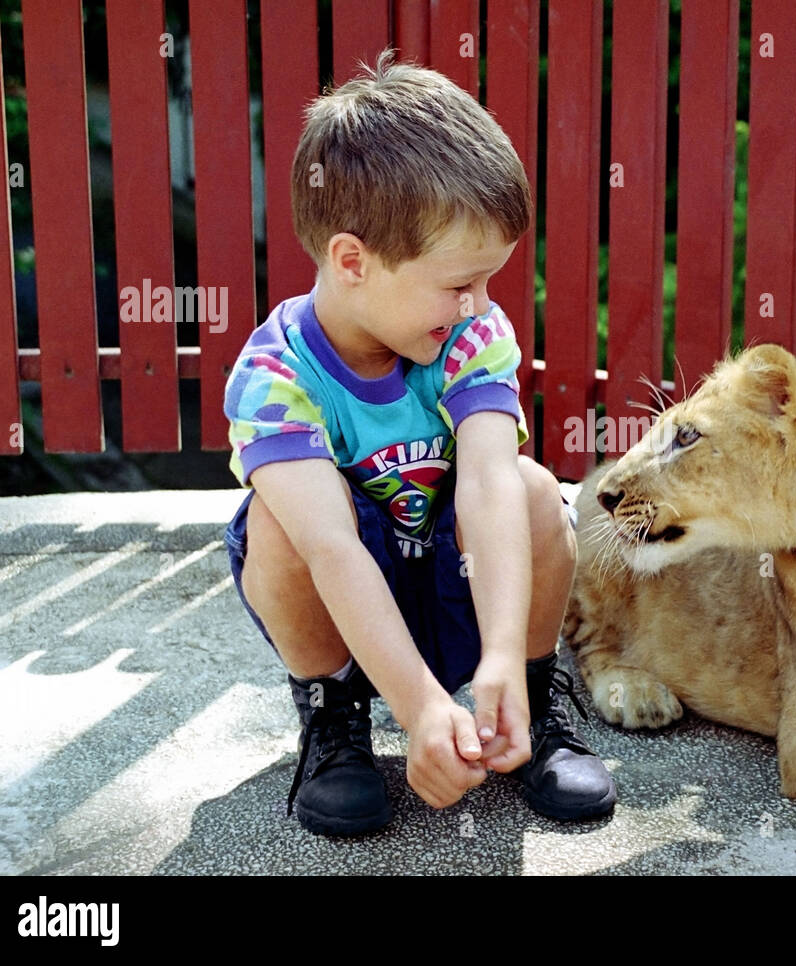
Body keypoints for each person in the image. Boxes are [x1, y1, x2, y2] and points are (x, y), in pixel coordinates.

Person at [220, 52, 616, 836]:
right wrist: (421, 708)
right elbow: (331, 551)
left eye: (490, 279)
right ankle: (335, 719)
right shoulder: (275, 377)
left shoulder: (469, 337)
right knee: (276, 524)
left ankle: (531, 700)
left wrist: (501, 652)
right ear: (353, 261)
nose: (479, 304)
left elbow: (489, 486)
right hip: (349, 612)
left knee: (535, 490)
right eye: (459, 281)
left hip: (457, 588)